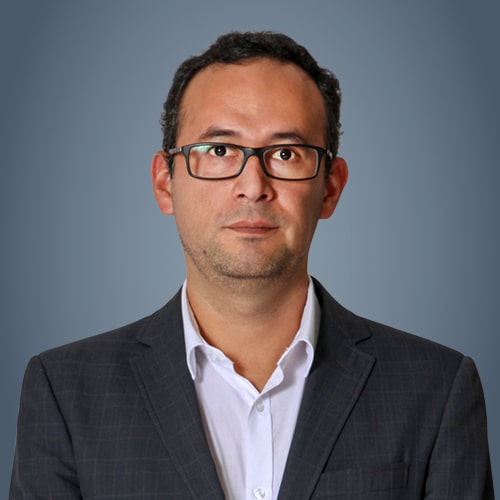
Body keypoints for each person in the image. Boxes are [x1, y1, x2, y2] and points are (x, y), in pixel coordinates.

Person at [10, 31, 493, 500]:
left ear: (330, 187)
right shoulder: (67, 393)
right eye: (220, 151)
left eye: (285, 153)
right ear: (165, 183)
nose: (253, 186)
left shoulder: (436, 388)